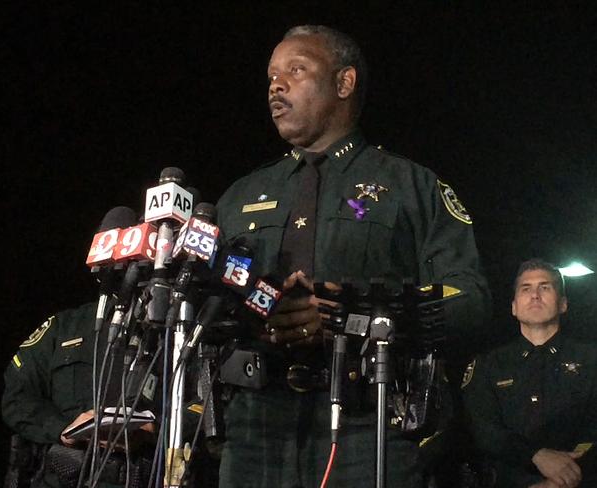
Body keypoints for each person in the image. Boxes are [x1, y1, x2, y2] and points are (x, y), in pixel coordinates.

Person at [216, 24, 491, 487]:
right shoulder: (240, 196)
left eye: (296, 70)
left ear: (344, 83)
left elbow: (471, 302)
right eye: (271, 77)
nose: (276, 86)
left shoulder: (412, 187)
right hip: (255, 426)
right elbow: (214, 302)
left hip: (371, 420)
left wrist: (354, 316)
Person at [463, 259, 597, 488]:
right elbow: (483, 430)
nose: (535, 295)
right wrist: (535, 458)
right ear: (514, 307)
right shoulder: (489, 364)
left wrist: (562, 480)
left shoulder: (591, 359)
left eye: (545, 287)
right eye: (526, 288)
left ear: (563, 303)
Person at [2, 303, 155, 488]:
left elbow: (198, 406)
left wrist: (156, 429)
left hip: (142, 475)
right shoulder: (65, 326)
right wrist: (62, 429)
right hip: (65, 477)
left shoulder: (179, 327)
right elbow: (16, 398)